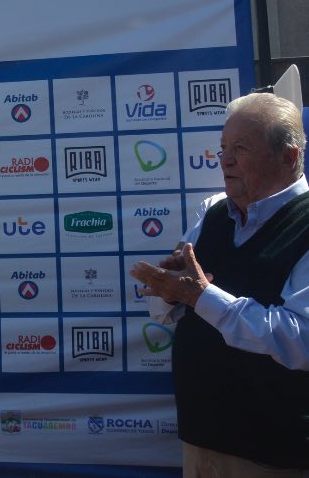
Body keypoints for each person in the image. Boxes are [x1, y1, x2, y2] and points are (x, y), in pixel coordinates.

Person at [130, 91, 309, 477]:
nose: (225, 160)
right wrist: (168, 292)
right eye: (223, 147)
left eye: (241, 148)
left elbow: (302, 340)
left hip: (272, 455)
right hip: (200, 441)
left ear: (289, 156)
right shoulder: (212, 213)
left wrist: (201, 297)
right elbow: (170, 311)